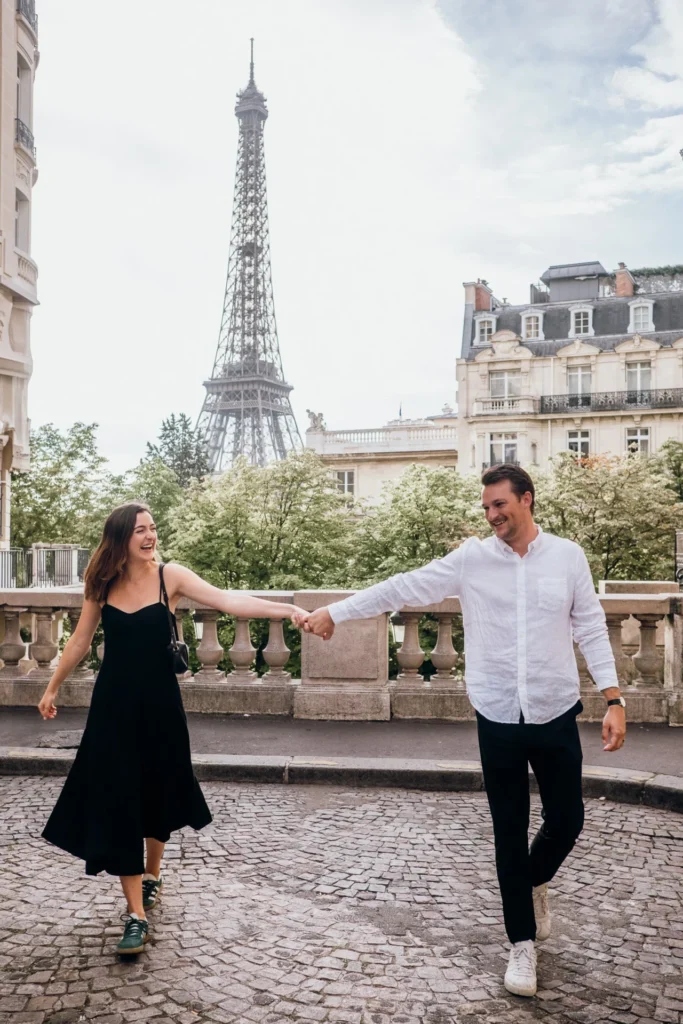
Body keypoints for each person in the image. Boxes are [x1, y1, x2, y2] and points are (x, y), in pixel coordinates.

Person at [299, 464, 625, 998]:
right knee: (507, 829)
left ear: (527, 499)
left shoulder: (567, 557)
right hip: (496, 712)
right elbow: (404, 586)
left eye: (501, 505)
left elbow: (589, 624)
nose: (493, 515)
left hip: (554, 707)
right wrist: (337, 611)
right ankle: (521, 943)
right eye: (487, 508)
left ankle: (532, 882)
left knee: (568, 820)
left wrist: (613, 698)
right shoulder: (471, 559)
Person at [39, 502, 307, 956]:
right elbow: (81, 640)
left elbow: (227, 600)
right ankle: (135, 916)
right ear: (121, 537)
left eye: (153, 528)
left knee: (157, 791)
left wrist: (287, 610)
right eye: (140, 530)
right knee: (121, 798)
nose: (150, 536)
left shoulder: (170, 577)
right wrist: (51, 687)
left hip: (161, 706)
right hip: (114, 708)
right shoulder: (101, 583)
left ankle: (153, 875)